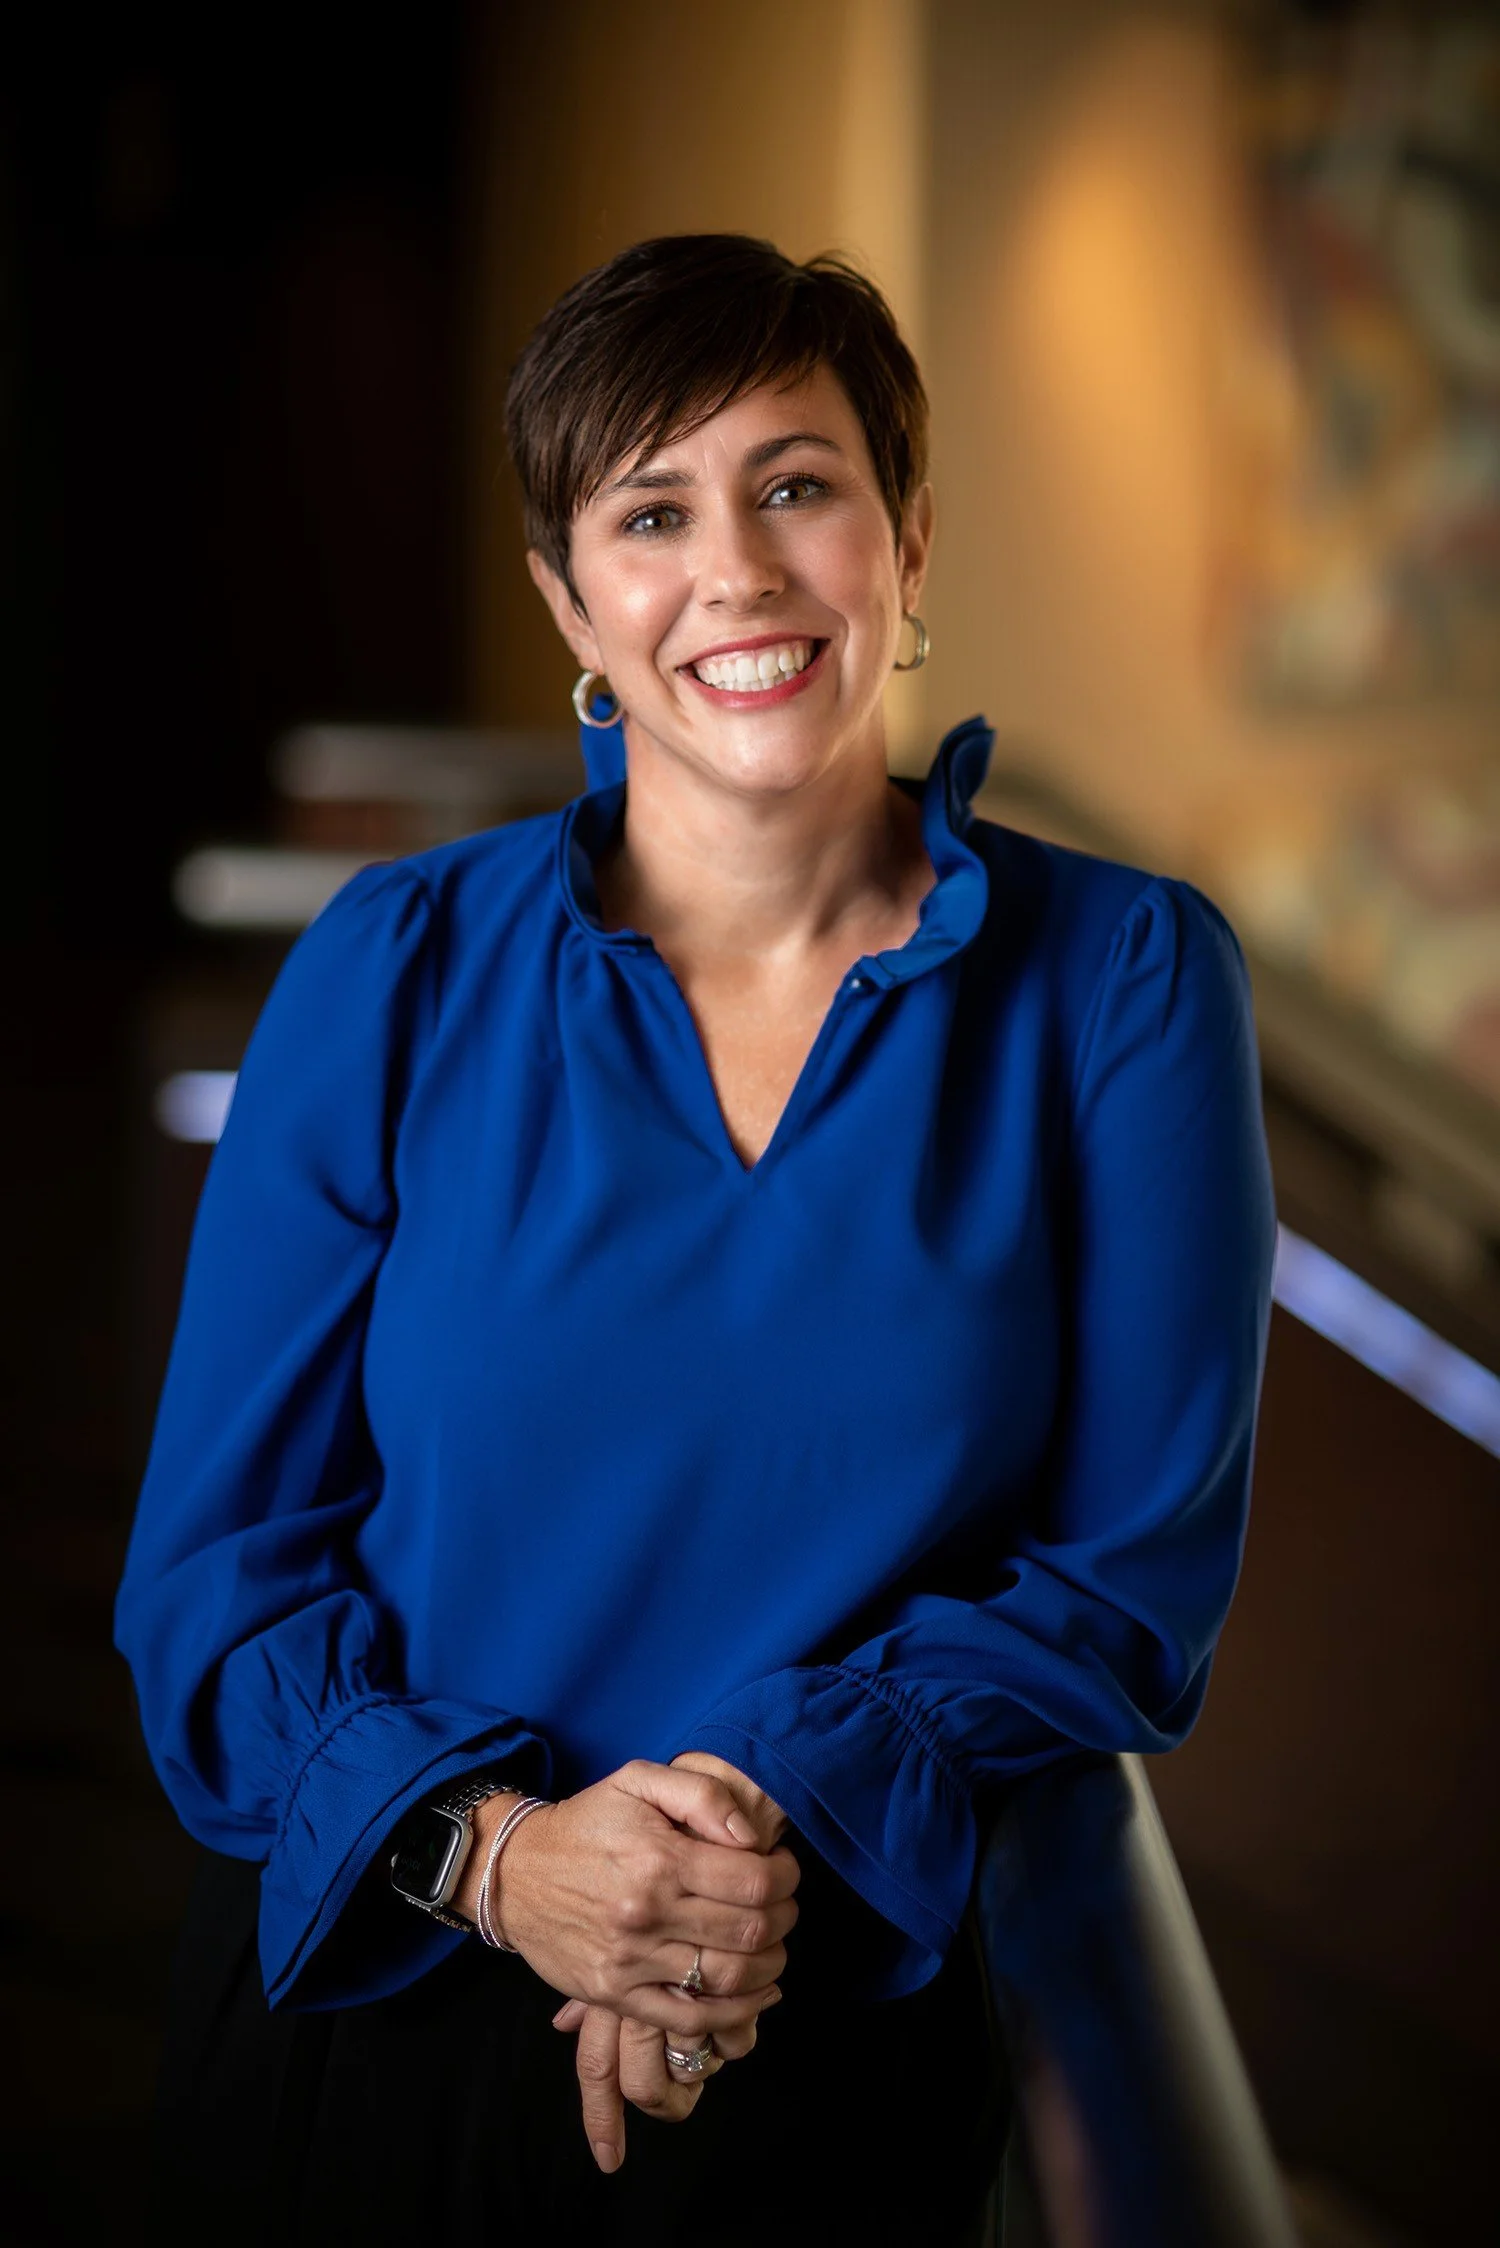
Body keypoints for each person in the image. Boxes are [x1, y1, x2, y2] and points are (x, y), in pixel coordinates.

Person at [115, 233, 1278, 2246]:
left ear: (907, 538)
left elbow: (1126, 1578)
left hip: (823, 2028)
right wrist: (504, 1864)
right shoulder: (391, 968)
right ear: (572, 598)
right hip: (372, 2018)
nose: (735, 573)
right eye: (651, 512)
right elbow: (214, 1586)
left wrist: (745, 1824)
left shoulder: (1131, 983)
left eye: (797, 485)